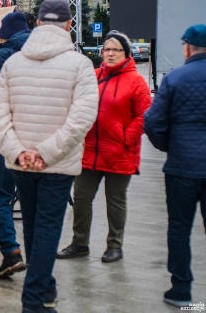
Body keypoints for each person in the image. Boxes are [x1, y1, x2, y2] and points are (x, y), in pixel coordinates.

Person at [0, 0, 98, 313]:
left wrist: (19, 152)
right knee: (48, 228)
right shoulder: (80, 65)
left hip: (22, 162)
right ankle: (33, 301)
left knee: (34, 225)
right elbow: (82, 118)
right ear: (69, 25)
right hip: (58, 163)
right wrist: (47, 153)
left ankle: (45, 287)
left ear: (37, 24)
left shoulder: (11, 63)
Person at [57, 31, 152, 263]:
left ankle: (114, 245)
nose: (109, 54)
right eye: (106, 49)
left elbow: (146, 115)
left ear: (125, 54)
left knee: (115, 200)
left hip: (120, 151)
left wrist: (126, 138)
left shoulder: (136, 81)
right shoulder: (93, 76)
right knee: (80, 198)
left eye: (115, 50)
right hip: (89, 149)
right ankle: (80, 243)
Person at [144, 24, 206, 308]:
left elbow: (153, 122)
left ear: (187, 48)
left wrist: (170, 146)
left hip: (182, 168)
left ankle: (181, 291)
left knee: (179, 228)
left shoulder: (175, 79)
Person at [0, 11, 32, 277]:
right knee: (33, 199)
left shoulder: (4, 56)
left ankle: (11, 253)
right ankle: (38, 260)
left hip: (7, 139)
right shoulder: (42, 52)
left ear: (7, 32)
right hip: (37, 138)